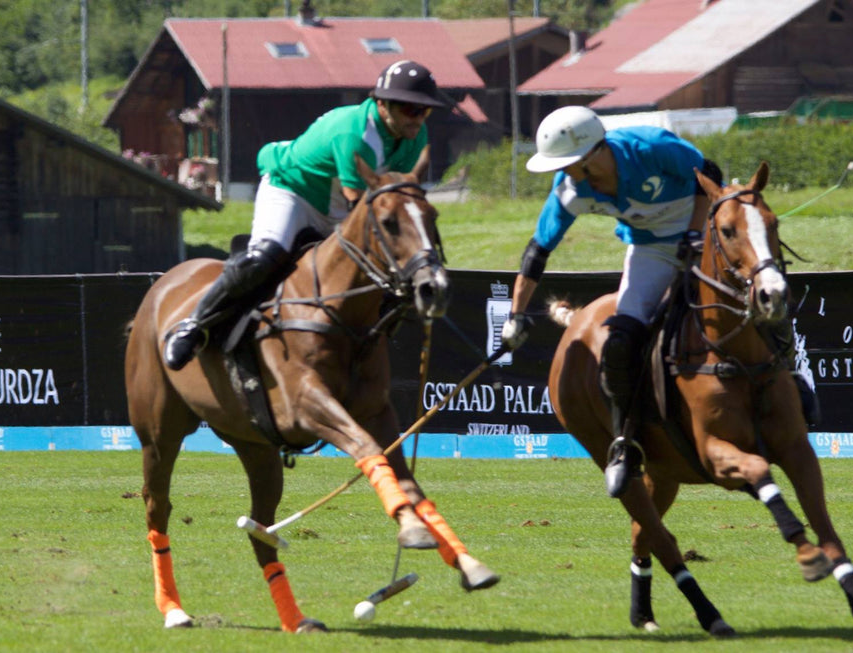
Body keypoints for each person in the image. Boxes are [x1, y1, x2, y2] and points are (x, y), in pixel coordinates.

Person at [499, 106, 819, 498]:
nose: (563, 173)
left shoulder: (649, 147)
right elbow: (538, 251)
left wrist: (693, 234)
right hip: (649, 250)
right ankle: (626, 443)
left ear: (593, 153)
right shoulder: (570, 191)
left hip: (708, 236)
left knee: (761, 299)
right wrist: (516, 315)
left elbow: (708, 173)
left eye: (568, 164)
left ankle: (793, 380)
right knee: (620, 343)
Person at [163, 60, 444, 370]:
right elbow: (358, 205)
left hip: (337, 203)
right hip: (292, 190)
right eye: (410, 109)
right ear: (382, 104)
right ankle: (194, 325)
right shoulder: (354, 132)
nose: (418, 118)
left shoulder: (415, 136)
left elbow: (398, 200)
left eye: (425, 111)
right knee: (265, 256)